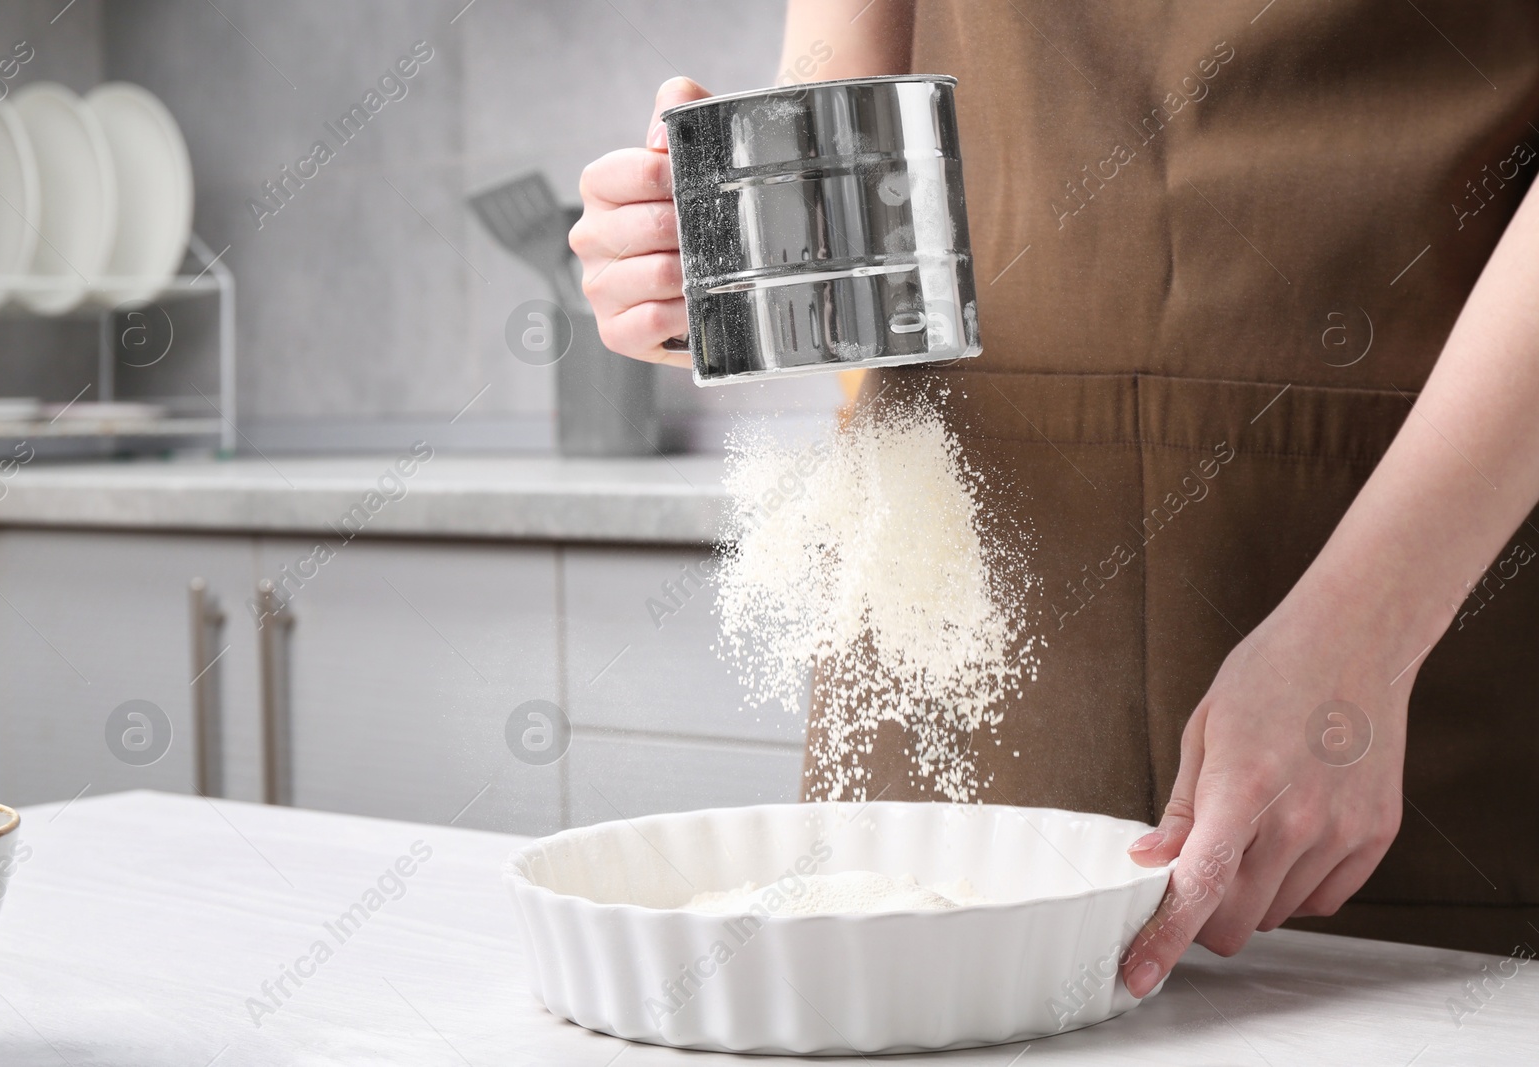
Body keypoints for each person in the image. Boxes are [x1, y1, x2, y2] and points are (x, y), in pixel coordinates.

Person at [569, 0, 1539, 998]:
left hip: (1412, 605)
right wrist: (706, 264)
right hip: (949, 594)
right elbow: (836, 167)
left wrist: (1369, 627)